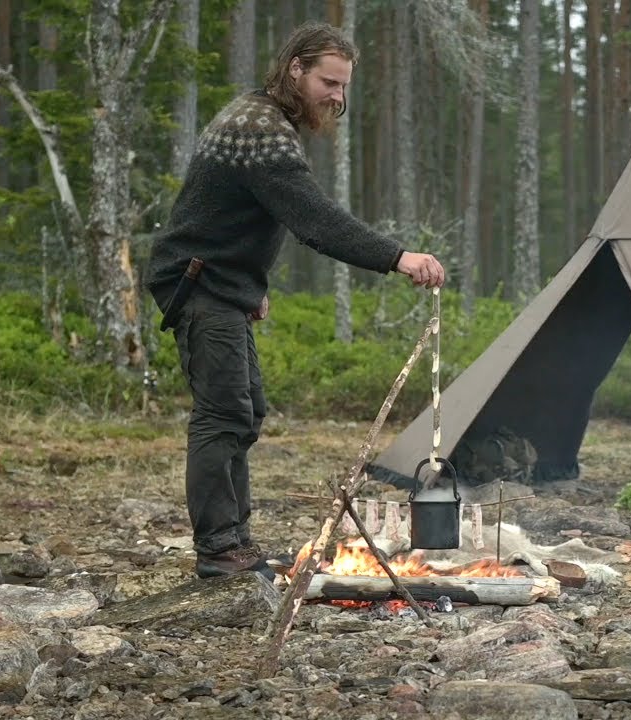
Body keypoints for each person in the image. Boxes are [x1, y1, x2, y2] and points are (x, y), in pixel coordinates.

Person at [146, 23, 445, 581]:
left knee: (245, 410)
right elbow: (312, 218)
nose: (337, 97)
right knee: (223, 414)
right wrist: (397, 256)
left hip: (219, 283)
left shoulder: (265, 120)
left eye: (343, 86)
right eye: (329, 82)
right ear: (295, 70)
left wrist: (249, 287)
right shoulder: (260, 129)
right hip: (198, 283)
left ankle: (235, 543)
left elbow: (234, 215)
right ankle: (218, 552)